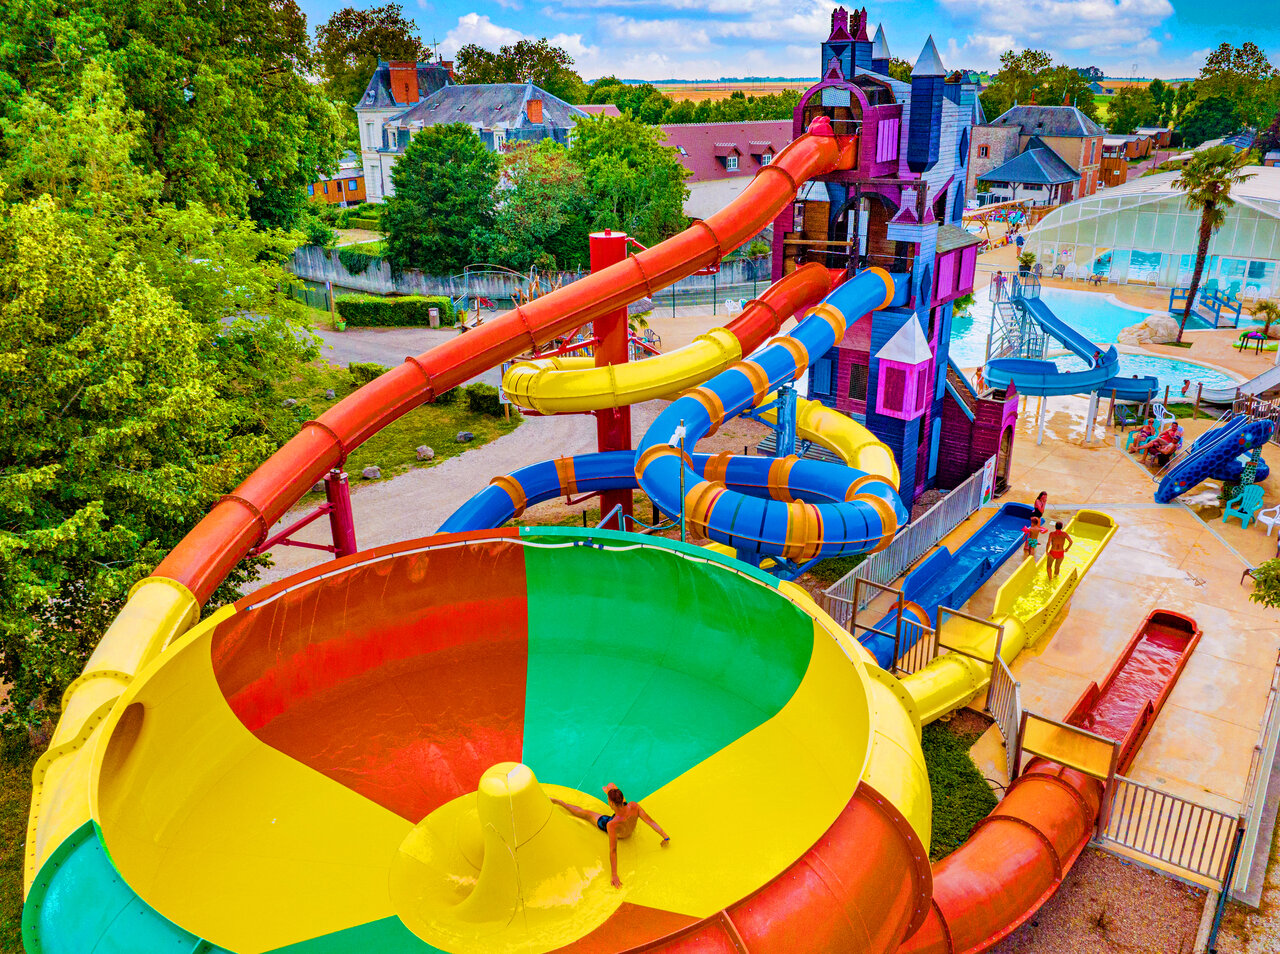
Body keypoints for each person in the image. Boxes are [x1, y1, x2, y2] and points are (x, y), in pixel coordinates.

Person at [552, 784, 670, 887]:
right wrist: (665, 836)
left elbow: (613, 850)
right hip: (627, 821)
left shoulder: (611, 824)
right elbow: (651, 822)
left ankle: (561, 803)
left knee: (586, 814)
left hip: (621, 832)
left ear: (611, 803)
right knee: (617, 794)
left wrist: (614, 874)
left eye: (609, 800)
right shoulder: (634, 806)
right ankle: (612, 789)